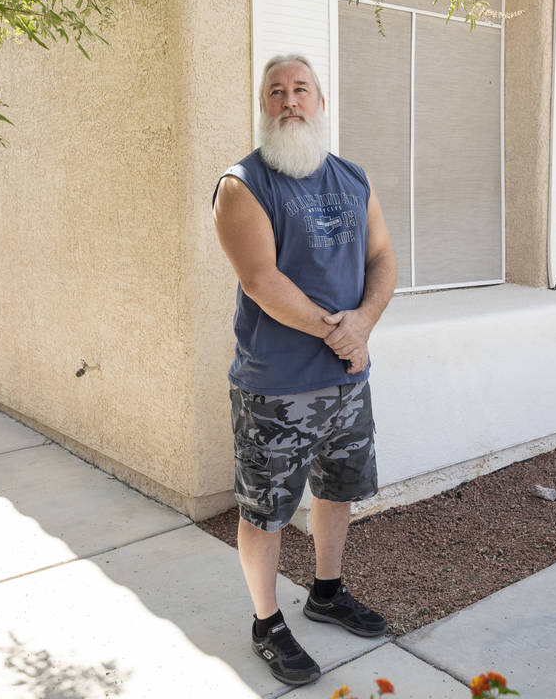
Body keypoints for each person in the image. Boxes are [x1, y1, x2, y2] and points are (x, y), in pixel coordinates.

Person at [212, 54, 398, 686]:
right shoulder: (243, 185)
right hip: (276, 387)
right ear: (263, 105)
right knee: (265, 510)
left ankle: (326, 591)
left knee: (337, 490)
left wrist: (364, 323)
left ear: (321, 101)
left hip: (348, 380)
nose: (289, 101)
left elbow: (382, 259)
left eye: (301, 90)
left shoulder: (353, 178)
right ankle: (267, 622)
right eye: (276, 92)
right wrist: (341, 333)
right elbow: (262, 282)